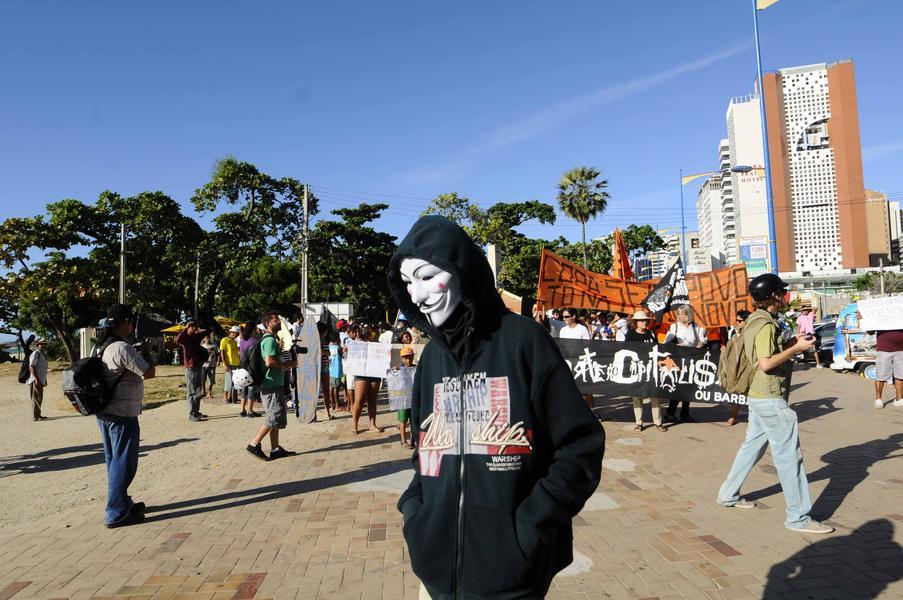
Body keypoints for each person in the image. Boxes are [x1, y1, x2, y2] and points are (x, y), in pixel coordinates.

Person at [388, 216, 604, 599]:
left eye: (425, 276)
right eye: (407, 282)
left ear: (462, 270)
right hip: (435, 572)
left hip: (513, 575)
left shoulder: (524, 340)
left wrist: (531, 526)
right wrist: (416, 513)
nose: (416, 294)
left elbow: (580, 444)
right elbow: (424, 452)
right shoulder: (431, 359)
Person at [716, 273, 832, 534]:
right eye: (782, 293)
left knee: (751, 449)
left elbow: (764, 353)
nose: (785, 297)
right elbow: (765, 363)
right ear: (774, 296)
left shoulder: (755, 321)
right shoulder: (765, 324)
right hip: (769, 398)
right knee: (789, 457)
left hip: (759, 397)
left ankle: (728, 494)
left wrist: (793, 343)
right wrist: (796, 349)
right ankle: (798, 518)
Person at [95, 304, 155, 528]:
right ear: (124, 323)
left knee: (114, 462)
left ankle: (122, 501)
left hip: (106, 412)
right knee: (124, 463)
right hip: (122, 414)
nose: (131, 326)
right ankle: (116, 512)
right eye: (130, 322)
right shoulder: (122, 347)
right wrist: (146, 351)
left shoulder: (103, 346)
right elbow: (149, 372)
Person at [246, 309, 297, 461]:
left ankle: (275, 449)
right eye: (275, 320)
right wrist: (290, 363)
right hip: (271, 384)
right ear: (268, 323)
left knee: (276, 417)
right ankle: (254, 444)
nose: (279, 322)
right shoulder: (268, 340)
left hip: (273, 384)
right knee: (274, 416)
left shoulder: (271, 339)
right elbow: (269, 362)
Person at [663, 305, 706, 423]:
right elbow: (666, 342)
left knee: (689, 388)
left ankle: (685, 413)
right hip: (678, 362)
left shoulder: (696, 327)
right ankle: (670, 413)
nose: (682, 316)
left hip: (692, 362)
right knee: (678, 387)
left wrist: (700, 344)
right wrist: (676, 345)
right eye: (680, 314)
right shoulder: (675, 326)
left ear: (689, 315)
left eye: (684, 314)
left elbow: (702, 340)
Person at [625, 311, 666, 432]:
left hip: (651, 369)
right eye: (642, 320)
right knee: (637, 397)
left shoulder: (651, 334)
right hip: (637, 369)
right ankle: (639, 423)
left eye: (646, 320)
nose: (645, 322)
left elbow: (657, 349)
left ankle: (658, 422)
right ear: (636, 322)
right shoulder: (630, 335)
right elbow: (626, 351)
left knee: (655, 395)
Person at [176, 319, 209, 422]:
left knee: (198, 390)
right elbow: (178, 339)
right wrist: (184, 328)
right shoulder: (185, 337)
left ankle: (196, 411)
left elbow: (208, 331)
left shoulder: (196, 336)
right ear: (188, 327)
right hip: (190, 367)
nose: (194, 328)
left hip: (198, 365)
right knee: (192, 391)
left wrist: (202, 328)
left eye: (195, 326)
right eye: (192, 326)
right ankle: (192, 413)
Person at [727, 310, 751, 426]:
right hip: (737, 366)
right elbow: (730, 348)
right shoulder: (735, 333)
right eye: (736, 320)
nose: (737, 322)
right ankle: (733, 416)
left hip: (749, 366)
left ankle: (753, 417)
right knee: (737, 392)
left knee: (750, 392)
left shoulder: (751, 333)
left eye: (740, 321)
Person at [874, 328, 903, 408]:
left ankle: (899, 399)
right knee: (881, 375)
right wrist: (864, 320)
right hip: (883, 349)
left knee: (901, 375)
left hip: (901, 349)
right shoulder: (878, 315)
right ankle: (878, 400)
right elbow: (870, 331)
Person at [237, 325, 260, 417]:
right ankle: (250, 411)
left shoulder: (242, 341)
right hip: (252, 367)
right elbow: (256, 357)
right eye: (256, 329)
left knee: (244, 388)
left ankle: (242, 410)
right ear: (252, 330)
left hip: (243, 367)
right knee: (252, 388)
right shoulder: (254, 342)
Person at [397, 345, 416, 449]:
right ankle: (403, 440)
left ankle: (413, 440)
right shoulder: (399, 369)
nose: (408, 359)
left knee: (413, 420)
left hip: (413, 398)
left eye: (410, 356)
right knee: (402, 420)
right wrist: (395, 371)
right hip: (402, 398)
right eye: (406, 357)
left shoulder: (416, 368)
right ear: (402, 358)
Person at [27, 338, 49, 421]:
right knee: (35, 398)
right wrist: (36, 379)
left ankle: (38, 414)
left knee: (39, 397)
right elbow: (31, 366)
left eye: (44, 344)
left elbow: (43, 369)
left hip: (41, 379)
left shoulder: (42, 354)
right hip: (35, 380)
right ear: (38, 345)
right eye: (41, 344)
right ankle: (35, 416)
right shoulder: (36, 353)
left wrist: (44, 379)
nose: (43, 345)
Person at [220, 325, 241, 406]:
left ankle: (232, 397)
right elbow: (222, 352)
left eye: (238, 334)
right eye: (236, 333)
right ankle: (225, 397)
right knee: (228, 381)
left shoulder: (234, 342)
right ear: (232, 332)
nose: (237, 335)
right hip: (229, 364)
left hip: (236, 364)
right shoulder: (224, 340)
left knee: (235, 382)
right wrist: (224, 364)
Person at [327, 331, 344, 412]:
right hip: (337, 370)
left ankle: (332, 405)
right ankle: (337, 405)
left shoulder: (329, 347)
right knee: (336, 389)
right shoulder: (338, 348)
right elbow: (343, 356)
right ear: (337, 338)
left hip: (331, 370)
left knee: (331, 388)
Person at [200, 335, 218, 400]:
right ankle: (203, 391)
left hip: (212, 365)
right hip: (203, 365)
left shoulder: (214, 345)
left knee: (211, 380)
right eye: (206, 337)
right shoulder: (202, 346)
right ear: (204, 339)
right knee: (202, 380)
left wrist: (218, 361)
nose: (208, 339)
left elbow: (217, 353)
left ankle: (209, 393)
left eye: (209, 338)